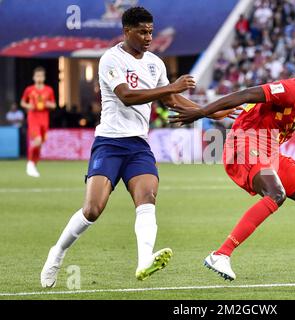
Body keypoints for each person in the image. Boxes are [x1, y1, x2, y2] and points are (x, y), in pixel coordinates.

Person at [40, 6, 236, 288]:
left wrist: (208, 111)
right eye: (142, 32)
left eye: (151, 32)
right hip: (109, 143)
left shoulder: (155, 63)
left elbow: (171, 102)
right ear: (126, 31)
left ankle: (144, 260)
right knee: (93, 209)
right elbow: (127, 96)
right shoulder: (111, 59)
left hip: (138, 146)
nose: (148, 37)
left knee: (147, 199)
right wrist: (171, 88)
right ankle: (57, 251)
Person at [169, 56, 295, 283]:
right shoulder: (292, 89)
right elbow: (244, 95)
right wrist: (201, 112)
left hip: (269, 149)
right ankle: (220, 254)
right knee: (276, 194)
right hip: (244, 142)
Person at [20, 66, 56, 177]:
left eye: (41, 76)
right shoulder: (29, 90)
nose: (39, 78)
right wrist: (28, 105)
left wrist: (48, 104)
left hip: (44, 118)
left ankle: (34, 165)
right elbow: (22, 102)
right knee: (38, 140)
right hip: (33, 117)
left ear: (44, 77)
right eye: (37, 76)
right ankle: (29, 164)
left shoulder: (49, 90)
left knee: (40, 144)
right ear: (34, 77)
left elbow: (54, 105)